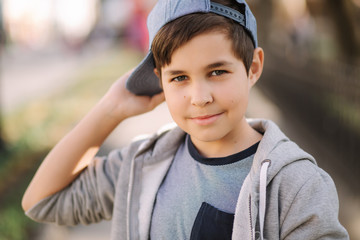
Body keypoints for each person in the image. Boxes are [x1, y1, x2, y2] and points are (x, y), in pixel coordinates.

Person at [22, 0, 349, 239]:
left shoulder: (296, 185)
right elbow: (41, 201)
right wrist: (111, 108)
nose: (199, 97)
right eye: (179, 77)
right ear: (160, 80)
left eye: (217, 71)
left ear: (253, 68)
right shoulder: (143, 163)